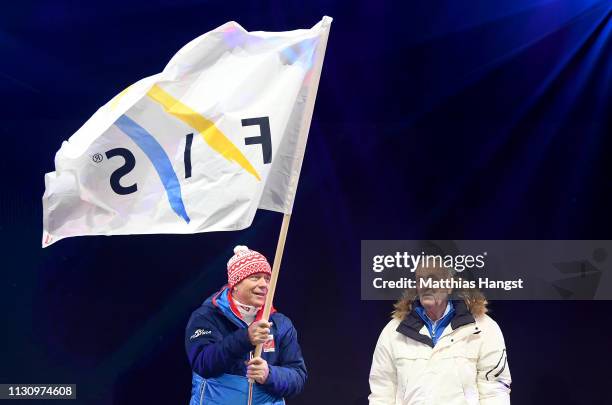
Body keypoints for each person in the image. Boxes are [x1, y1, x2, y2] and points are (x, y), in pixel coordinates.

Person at [369, 263, 512, 405]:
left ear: (449, 285)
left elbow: (494, 391)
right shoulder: (393, 331)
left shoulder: (484, 329)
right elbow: (381, 391)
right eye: (420, 280)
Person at [186, 245, 307, 405]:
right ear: (235, 284)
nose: (264, 284)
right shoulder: (207, 316)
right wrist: (246, 338)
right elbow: (203, 364)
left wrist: (269, 374)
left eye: (267, 278)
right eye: (255, 277)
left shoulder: (280, 323)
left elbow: (298, 377)